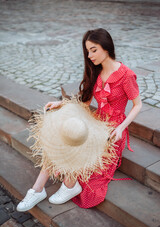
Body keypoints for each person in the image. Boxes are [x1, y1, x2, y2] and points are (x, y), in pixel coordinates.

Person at [17, 28, 142, 212]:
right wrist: (62, 104)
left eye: (94, 50)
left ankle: (70, 184)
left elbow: (137, 105)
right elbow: (84, 103)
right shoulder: (96, 73)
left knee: (80, 148)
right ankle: (37, 189)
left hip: (113, 131)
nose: (90, 55)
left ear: (106, 47)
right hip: (96, 122)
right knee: (63, 138)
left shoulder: (126, 75)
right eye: (88, 51)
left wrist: (121, 127)